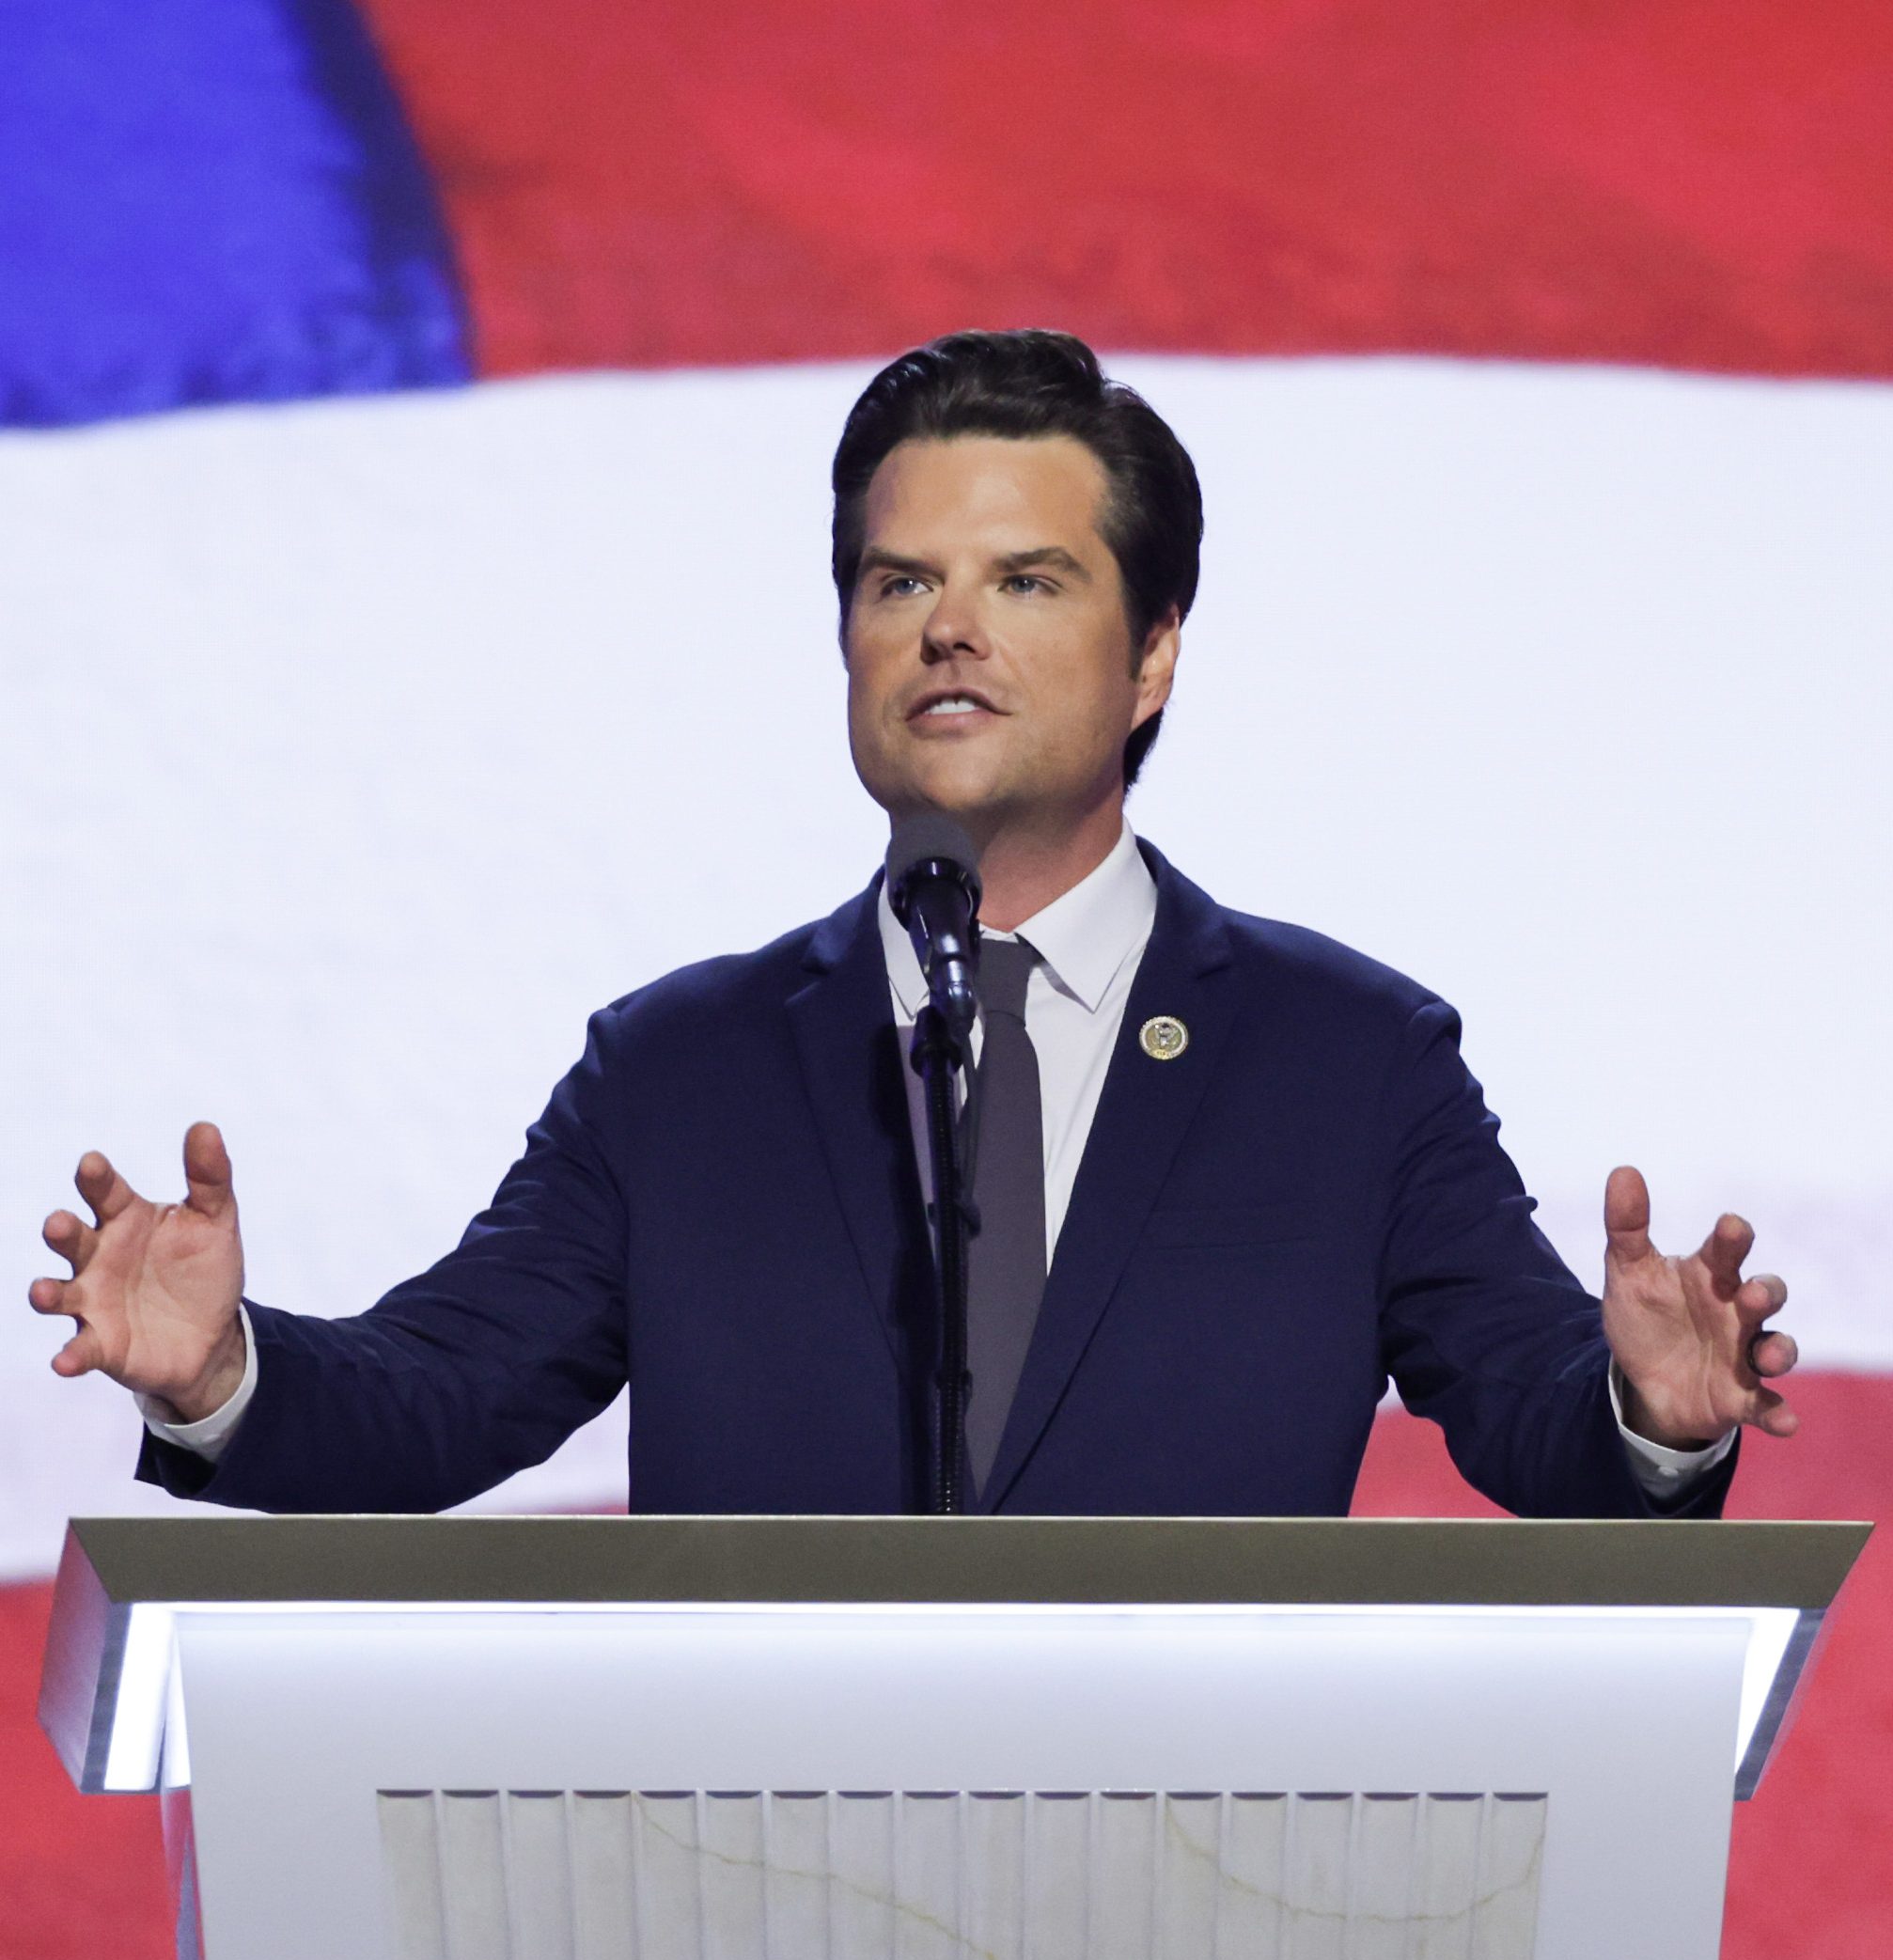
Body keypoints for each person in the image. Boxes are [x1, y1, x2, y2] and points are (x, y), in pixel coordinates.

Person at [29, 329, 1797, 1517]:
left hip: (1212, 1931)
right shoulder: (680, 1071)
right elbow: (441, 1394)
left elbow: (1527, 1406)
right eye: (901, 583)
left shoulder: (1350, 1061)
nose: (950, 629)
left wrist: (1649, 1414)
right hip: (758, 1953)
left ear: (1155, 649)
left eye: (1027, 580)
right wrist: (222, 1374)